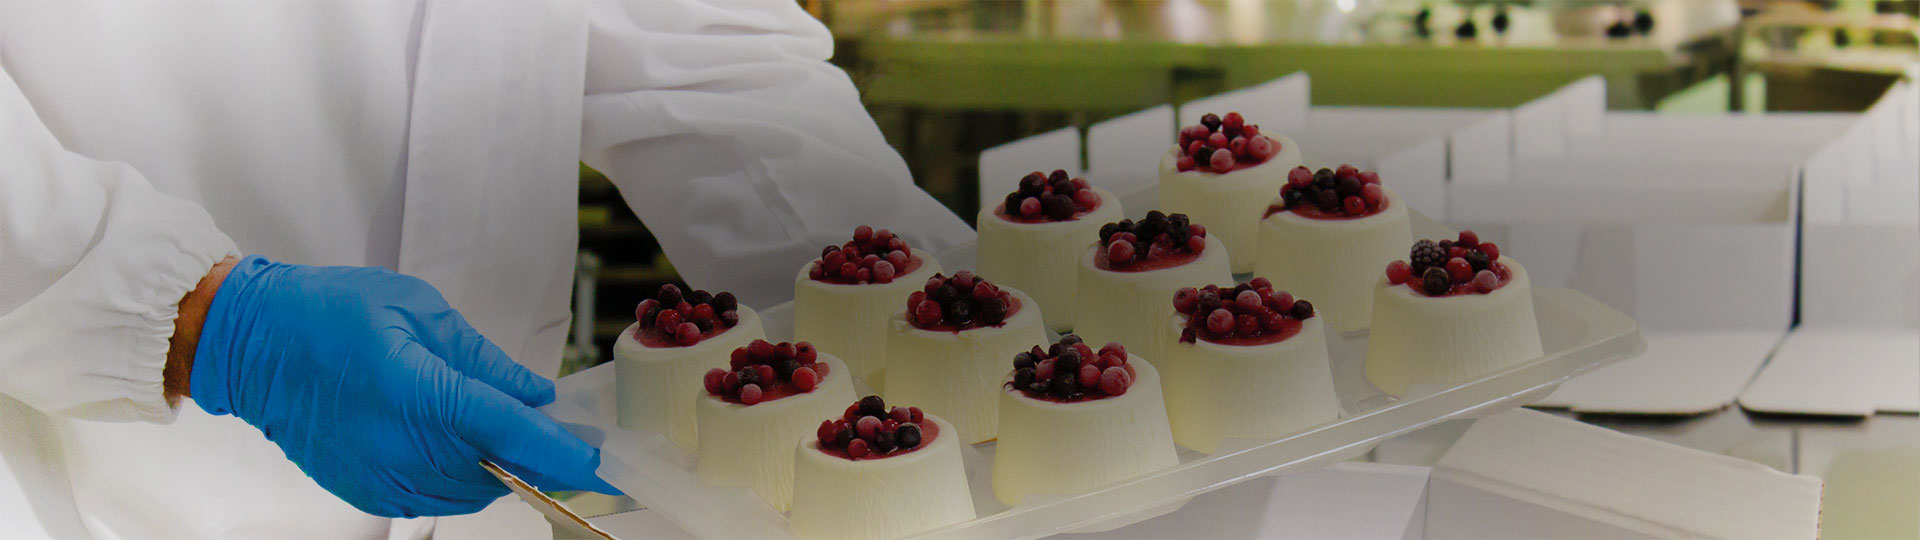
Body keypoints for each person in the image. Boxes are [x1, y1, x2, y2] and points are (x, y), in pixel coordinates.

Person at [0, 1, 975, 537]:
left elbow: (703, 58)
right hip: (84, 485)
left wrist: (906, 300)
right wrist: (208, 322)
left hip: (484, 510)